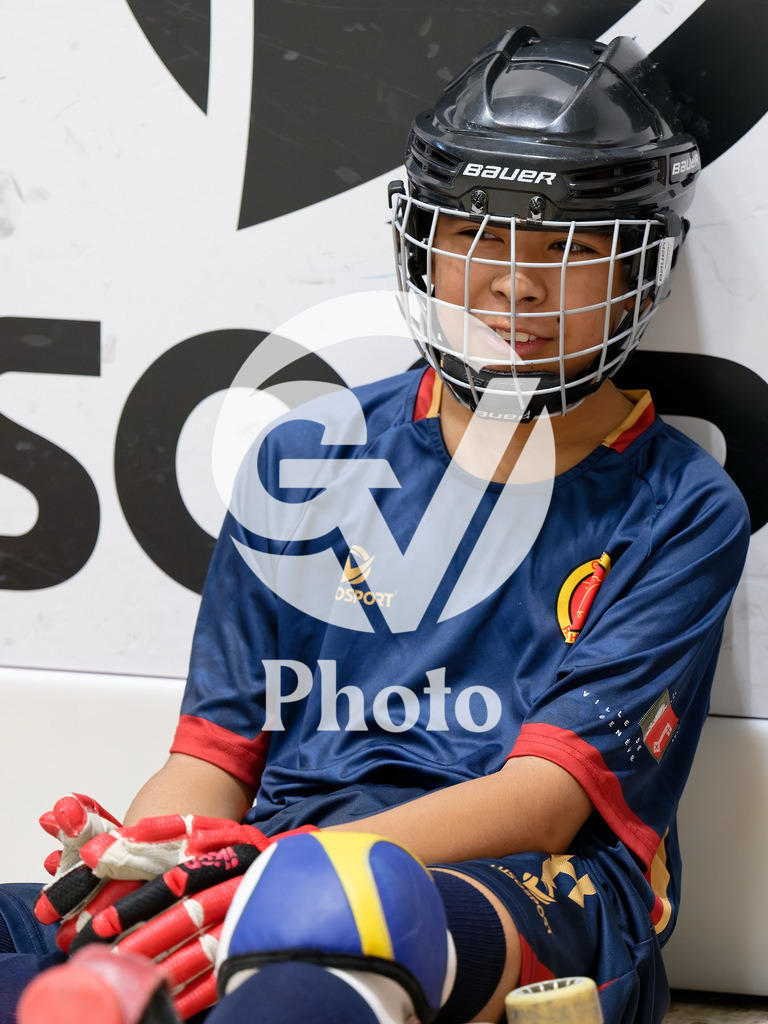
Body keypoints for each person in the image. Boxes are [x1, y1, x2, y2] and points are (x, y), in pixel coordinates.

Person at [1, 25, 750, 1024]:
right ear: (420, 243)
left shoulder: (683, 507)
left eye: (568, 247)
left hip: (523, 886)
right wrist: (159, 863)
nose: (515, 281)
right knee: (60, 923)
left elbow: (543, 801)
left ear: (639, 269)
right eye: (474, 233)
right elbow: (214, 756)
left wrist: (275, 875)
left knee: (340, 917)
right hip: (276, 856)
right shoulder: (304, 459)